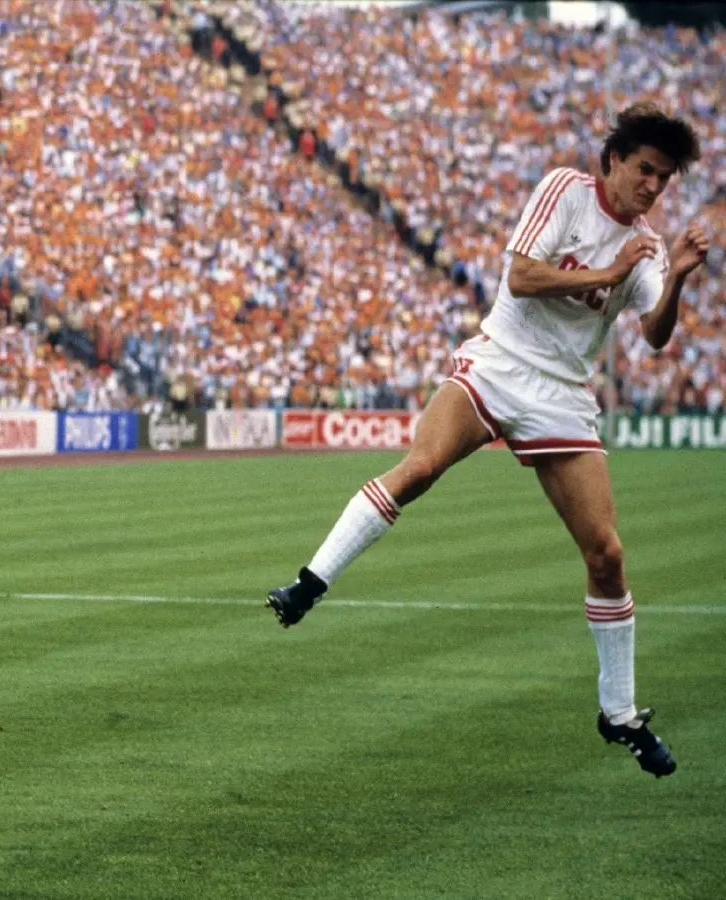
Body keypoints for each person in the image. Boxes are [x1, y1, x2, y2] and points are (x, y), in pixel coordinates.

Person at [266, 104, 709, 778]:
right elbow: (522, 277)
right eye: (645, 170)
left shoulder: (643, 246)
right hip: (500, 361)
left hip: (562, 392)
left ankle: (619, 715)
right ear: (614, 160)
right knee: (420, 468)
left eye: (664, 179)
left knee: (608, 554)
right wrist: (607, 275)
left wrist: (672, 275)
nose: (652, 187)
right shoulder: (566, 191)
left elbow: (653, 333)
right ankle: (308, 582)